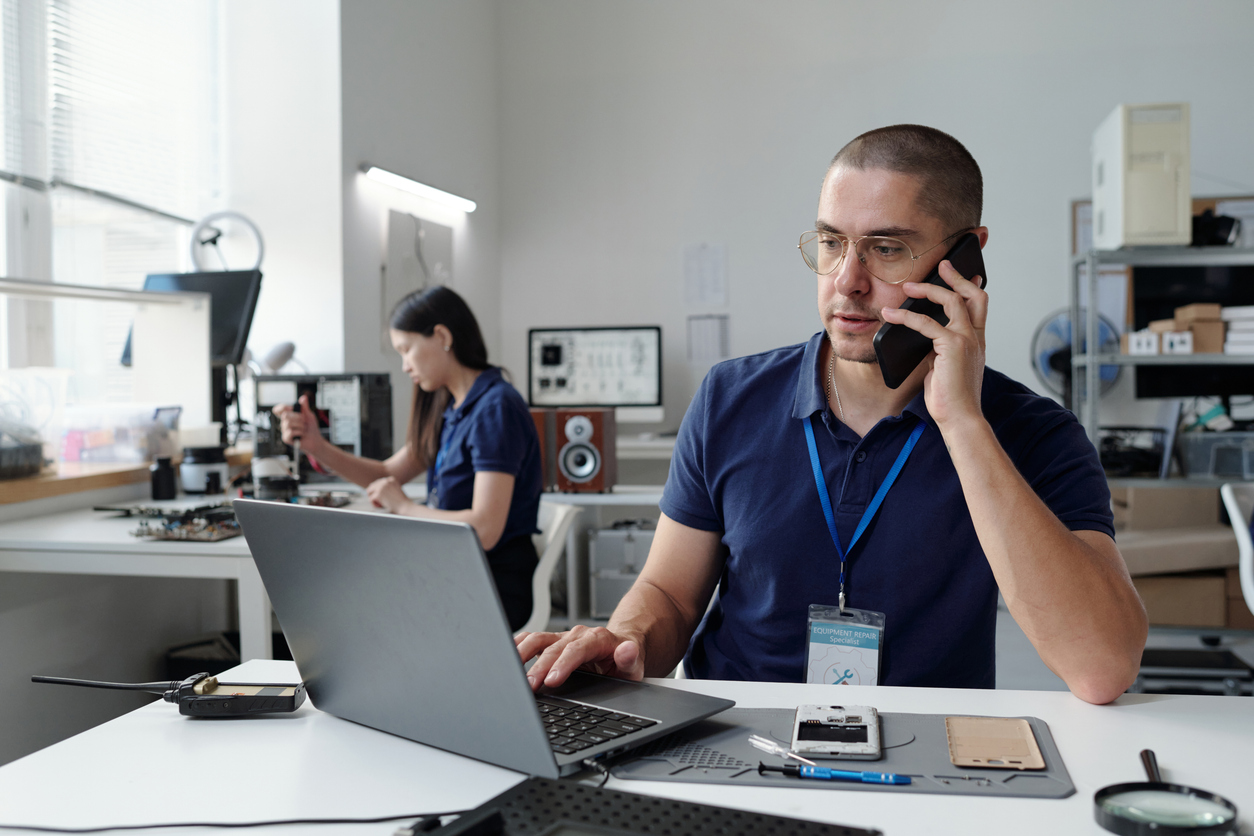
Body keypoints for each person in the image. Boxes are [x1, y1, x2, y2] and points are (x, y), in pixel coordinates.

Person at [517, 125, 1147, 705]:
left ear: (967, 260)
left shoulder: (1034, 432)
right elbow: (669, 596)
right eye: (830, 243)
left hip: (921, 763)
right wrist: (625, 640)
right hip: (733, 739)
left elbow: (1101, 666)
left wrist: (962, 423)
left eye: (887, 249)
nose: (847, 280)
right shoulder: (728, 398)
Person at [274, 285, 543, 631]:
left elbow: (485, 529)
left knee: (356, 611)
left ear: (443, 336)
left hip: (495, 583)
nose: (404, 366)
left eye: (406, 350)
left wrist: (403, 507)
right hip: (456, 572)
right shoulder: (448, 406)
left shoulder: (496, 408)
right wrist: (317, 446)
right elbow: (388, 473)